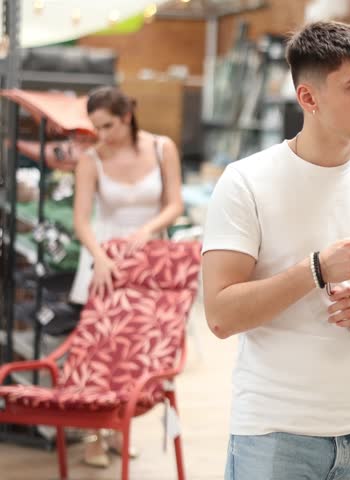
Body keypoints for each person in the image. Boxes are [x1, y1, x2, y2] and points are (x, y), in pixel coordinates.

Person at [200, 21, 350, 480]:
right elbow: (220, 316)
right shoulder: (246, 182)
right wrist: (317, 269)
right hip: (274, 434)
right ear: (308, 98)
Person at [71, 86, 184, 467]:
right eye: (95, 128)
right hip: (106, 256)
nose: (101, 135)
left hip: (150, 258)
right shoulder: (91, 159)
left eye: (107, 126)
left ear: (125, 117)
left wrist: (148, 230)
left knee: (135, 346)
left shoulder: (161, 148)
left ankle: (121, 428)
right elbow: (81, 219)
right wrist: (98, 258)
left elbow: (175, 204)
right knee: (102, 346)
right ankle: (93, 435)